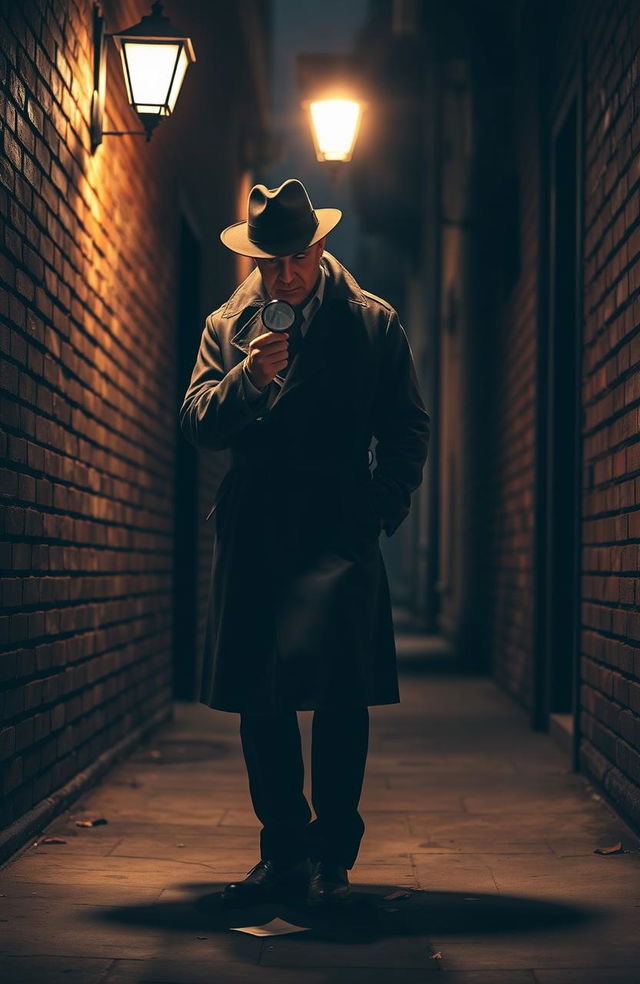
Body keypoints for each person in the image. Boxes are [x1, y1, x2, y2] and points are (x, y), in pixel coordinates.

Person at [179, 178, 430, 907]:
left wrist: (379, 507)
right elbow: (197, 421)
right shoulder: (228, 326)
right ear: (257, 260)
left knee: (340, 696)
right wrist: (248, 379)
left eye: (297, 257)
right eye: (271, 261)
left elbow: (407, 426)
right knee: (263, 698)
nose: (285, 273)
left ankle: (333, 857)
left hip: (339, 523)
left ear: (320, 247)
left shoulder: (373, 323)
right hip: (257, 522)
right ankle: (283, 850)